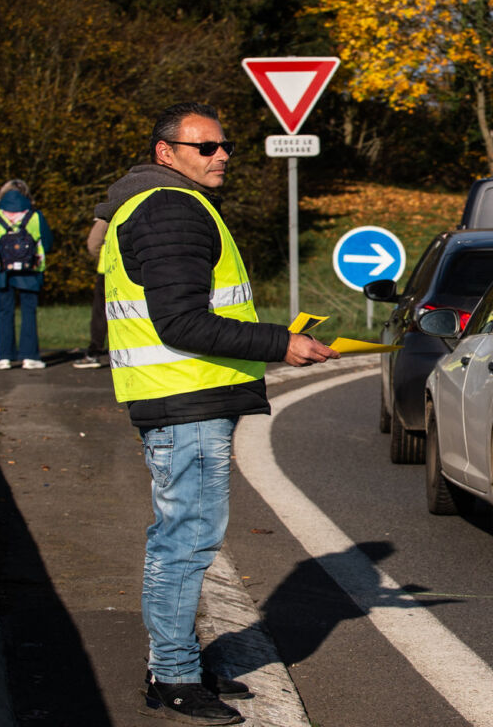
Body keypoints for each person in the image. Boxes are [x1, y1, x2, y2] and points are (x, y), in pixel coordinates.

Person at [100, 102, 336, 724]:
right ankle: (174, 677)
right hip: (187, 401)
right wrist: (278, 343)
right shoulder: (170, 208)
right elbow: (180, 322)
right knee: (185, 542)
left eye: (224, 145)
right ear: (166, 153)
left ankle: (175, 664)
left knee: (181, 538)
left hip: (180, 397)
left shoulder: (157, 204)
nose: (222, 155)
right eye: (205, 147)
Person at [0, 185, 52, 369]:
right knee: (29, 312)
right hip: (30, 270)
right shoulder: (35, 216)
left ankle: (4, 356)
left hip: (3, 271)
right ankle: (29, 356)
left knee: (5, 312)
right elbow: (48, 242)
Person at [73, 217, 109, 369]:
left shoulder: (108, 214)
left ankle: (94, 352)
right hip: (137, 270)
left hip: (107, 269)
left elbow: (93, 244)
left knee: (101, 314)